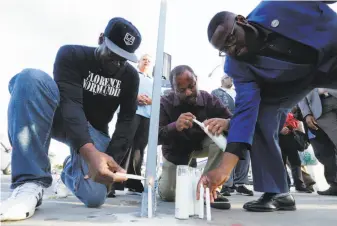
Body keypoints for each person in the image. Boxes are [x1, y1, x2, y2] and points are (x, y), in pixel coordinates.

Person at [198, 1, 337, 212]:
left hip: (330, 51)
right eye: (225, 49)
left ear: (241, 21)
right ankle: (277, 192)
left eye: (231, 39)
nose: (232, 49)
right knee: (262, 116)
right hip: (293, 82)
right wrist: (223, 170)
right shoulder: (236, 65)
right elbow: (246, 110)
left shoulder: (275, 6)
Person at [0, 17, 142, 221]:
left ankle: (69, 171)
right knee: (31, 79)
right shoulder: (72, 54)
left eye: (123, 59)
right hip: (63, 118)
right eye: (112, 54)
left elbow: (127, 120)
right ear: (101, 39)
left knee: (95, 197)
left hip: (95, 131)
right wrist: (91, 154)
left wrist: (110, 160)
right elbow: (71, 105)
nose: (116, 64)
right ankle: (30, 182)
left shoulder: (130, 77)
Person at [158, 65, 232, 210]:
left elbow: (233, 121)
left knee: (219, 139)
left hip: (201, 145)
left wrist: (225, 123)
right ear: (173, 88)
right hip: (176, 152)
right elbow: (156, 136)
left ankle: (210, 188)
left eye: (191, 86)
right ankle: (162, 180)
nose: (188, 92)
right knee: (169, 195)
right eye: (181, 90)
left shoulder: (209, 99)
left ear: (196, 80)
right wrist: (174, 126)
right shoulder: (164, 103)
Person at [211, 74, 253, 196]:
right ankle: (226, 184)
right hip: (224, 124)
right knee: (228, 150)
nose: (232, 80)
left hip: (241, 124)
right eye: (229, 77)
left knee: (244, 151)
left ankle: (241, 183)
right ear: (222, 79)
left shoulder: (238, 92)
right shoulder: (215, 92)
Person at [298, 88, 337, 195]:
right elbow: (301, 93)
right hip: (320, 108)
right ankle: (334, 183)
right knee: (323, 151)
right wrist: (306, 114)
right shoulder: (302, 71)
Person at [125, 54, 153, 193]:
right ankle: (112, 182)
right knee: (124, 144)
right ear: (139, 62)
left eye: (149, 60)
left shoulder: (154, 81)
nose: (146, 61)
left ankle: (134, 182)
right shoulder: (132, 75)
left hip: (147, 116)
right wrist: (135, 97)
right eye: (144, 59)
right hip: (131, 113)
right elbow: (124, 90)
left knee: (139, 149)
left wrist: (150, 101)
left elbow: (158, 99)